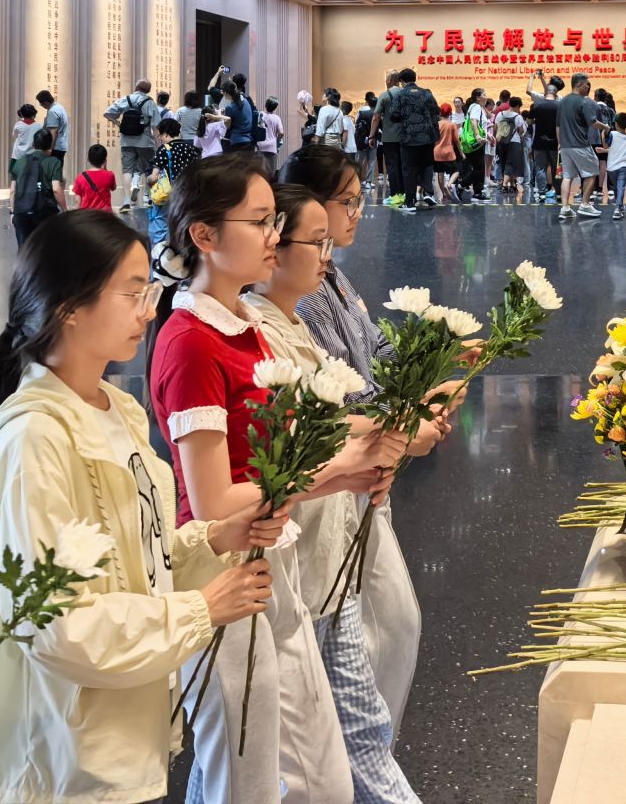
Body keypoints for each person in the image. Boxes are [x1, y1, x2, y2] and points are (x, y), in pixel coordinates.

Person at [0, 210, 282, 804]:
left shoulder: (115, 409)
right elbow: (55, 625)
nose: (148, 311)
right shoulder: (35, 437)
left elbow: (133, 560)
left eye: (148, 292)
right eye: (132, 294)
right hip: (62, 757)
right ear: (69, 307)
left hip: (117, 734)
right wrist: (201, 609)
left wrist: (210, 540)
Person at [149, 155, 397, 804]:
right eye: (260, 222)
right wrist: (337, 470)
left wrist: (349, 462)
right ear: (204, 235)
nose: (272, 236)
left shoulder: (245, 326)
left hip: (271, 561)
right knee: (251, 782)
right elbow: (213, 502)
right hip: (223, 574)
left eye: (275, 222)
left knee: (319, 779)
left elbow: (289, 450)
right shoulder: (192, 340)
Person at [243, 184, 425, 804]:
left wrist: (370, 452)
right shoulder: (242, 332)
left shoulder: (294, 318)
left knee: (352, 734)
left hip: (323, 555)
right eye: (314, 240)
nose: (327, 255)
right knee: (279, 763)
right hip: (285, 567)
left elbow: (323, 425)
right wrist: (373, 445)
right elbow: (262, 470)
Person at [282, 146, 440, 732]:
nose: (358, 213)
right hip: (335, 472)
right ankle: (365, 752)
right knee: (380, 623)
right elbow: (336, 397)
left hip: (361, 462)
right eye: (348, 201)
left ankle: (366, 751)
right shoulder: (296, 295)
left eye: (359, 200)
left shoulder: (333, 277)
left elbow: (373, 350)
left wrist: (428, 373)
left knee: (384, 624)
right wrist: (404, 419)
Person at [386, 70, 441, 215]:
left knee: (409, 169)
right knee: (427, 165)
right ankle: (428, 192)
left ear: (402, 81)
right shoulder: (427, 93)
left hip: (409, 138)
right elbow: (436, 112)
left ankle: (409, 202)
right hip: (427, 137)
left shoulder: (400, 95)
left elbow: (393, 115)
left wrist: (406, 118)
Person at [105, 81, 161, 210]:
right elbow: (155, 126)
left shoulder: (126, 99)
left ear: (136, 87)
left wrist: (118, 124)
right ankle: (150, 198)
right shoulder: (150, 102)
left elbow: (107, 113)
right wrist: (158, 145)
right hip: (145, 142)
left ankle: (126, 201)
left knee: (127, 170)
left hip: (127, 141)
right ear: (148, 91)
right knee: (149, 170)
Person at [148, 117, 200, 251]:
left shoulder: (164, 149)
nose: (160, 139)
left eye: (160, 136)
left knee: (159, 221)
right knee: (183, 222)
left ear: (166, 134)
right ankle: (183, 251)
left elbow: (154, 176)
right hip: (188, 193)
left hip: (169, 193)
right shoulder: (190, 148)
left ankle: (159, 251)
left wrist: (149, 180)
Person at [556, 74, 603, 221]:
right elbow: (593, 123)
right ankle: (585, 204)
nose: (588, 87)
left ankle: (565, 208)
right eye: (586, 84)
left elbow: (558, 126)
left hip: (565, 146)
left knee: (567, 176)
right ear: (579, 84)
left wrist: (560, 143)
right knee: (593, 170)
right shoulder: (583, 101)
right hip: (580, 144)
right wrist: (606, 127)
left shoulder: (562, 102)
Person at [10, 128, 65, 247]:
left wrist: (13, 212)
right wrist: (65, 209)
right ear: (50, 145)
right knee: (45, 250)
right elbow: (56, 189)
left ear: (33, 144)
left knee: (25, 251)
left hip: (21, 213)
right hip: (45, 213)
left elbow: (13, 190)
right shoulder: (54, 162)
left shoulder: (19, 162)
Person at [526, 73, 562, 206]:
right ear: (556, 93)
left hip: (539, 142)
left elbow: (529, 122)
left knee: (540, 168)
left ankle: (541, 192)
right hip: (555, 143)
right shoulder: (560, 106)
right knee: (555, 169)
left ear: (545, 92)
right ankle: (558, 192)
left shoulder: (537, 105)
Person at [221, 74, 261, 155]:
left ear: (225, 93)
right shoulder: (246, 100)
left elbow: (227, 126)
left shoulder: (230, 107)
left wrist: (220, 116)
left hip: (237, 142)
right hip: (249, 141)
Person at [605, 111, 626, 221]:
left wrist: (603, 135)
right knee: (620, 187)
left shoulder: (612, 134)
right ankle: (619, 207)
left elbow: (606, 145)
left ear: (616, 124)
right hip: (623, 166)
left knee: (617, 187)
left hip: (611, 167)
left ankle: (618, 207)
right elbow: (619, 148)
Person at [73, 143, 118, 212]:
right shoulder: (110, 175)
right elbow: (113, 188)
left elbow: (77, 201)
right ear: (105, 160)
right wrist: (105, 169)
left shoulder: (80, 177)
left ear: (88, 159)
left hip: (87, 214)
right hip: (105, 214)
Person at [430, 102, 460, 207]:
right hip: (448, 152)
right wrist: (461, 153)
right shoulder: (452, 125)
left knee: (440, 173)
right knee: (456, 171)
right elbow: (456, 141)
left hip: (437, 152)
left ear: (440, 113)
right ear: (450, 113)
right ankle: (449, 184)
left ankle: (442, 195)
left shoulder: (436, 125)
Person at [37, 90, 70, 170]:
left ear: (45, 102)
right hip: (61, 145)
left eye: (41, 104)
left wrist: (49, 148)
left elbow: (53, 130)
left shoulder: (53, 111)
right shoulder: (59, 107)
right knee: (57, 170)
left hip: (55, 147)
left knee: (53, 172)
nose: (41, 106)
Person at [258, 96, 286, 178]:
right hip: (272, 148)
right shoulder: (277, 118)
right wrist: (276, 142)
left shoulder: (260, 115)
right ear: (275, 107)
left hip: (260, 146)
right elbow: (281, 133)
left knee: (260, 172)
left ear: (265, 104)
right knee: (270, 173)